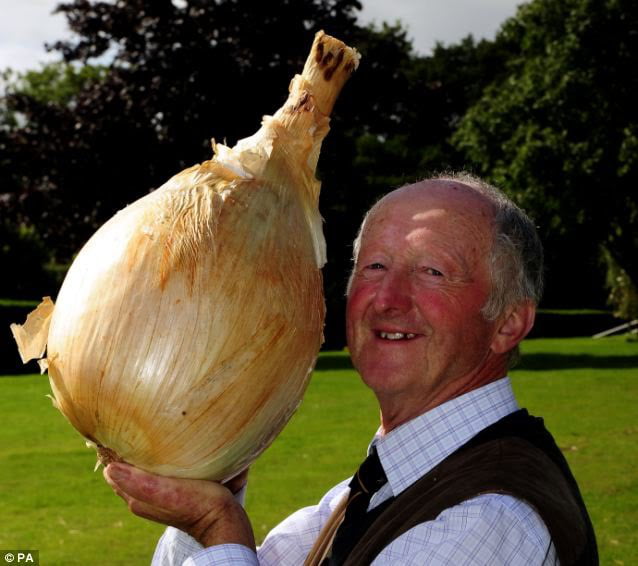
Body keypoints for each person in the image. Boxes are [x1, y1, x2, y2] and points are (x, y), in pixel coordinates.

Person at [104, 174, 598, 565]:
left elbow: (226, 551)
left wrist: (218, 525)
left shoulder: (485, 521)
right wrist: (213, 489)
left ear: (509, 322)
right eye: (374, 266)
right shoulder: (382, 484)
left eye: (433, 272)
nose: (388, 299)